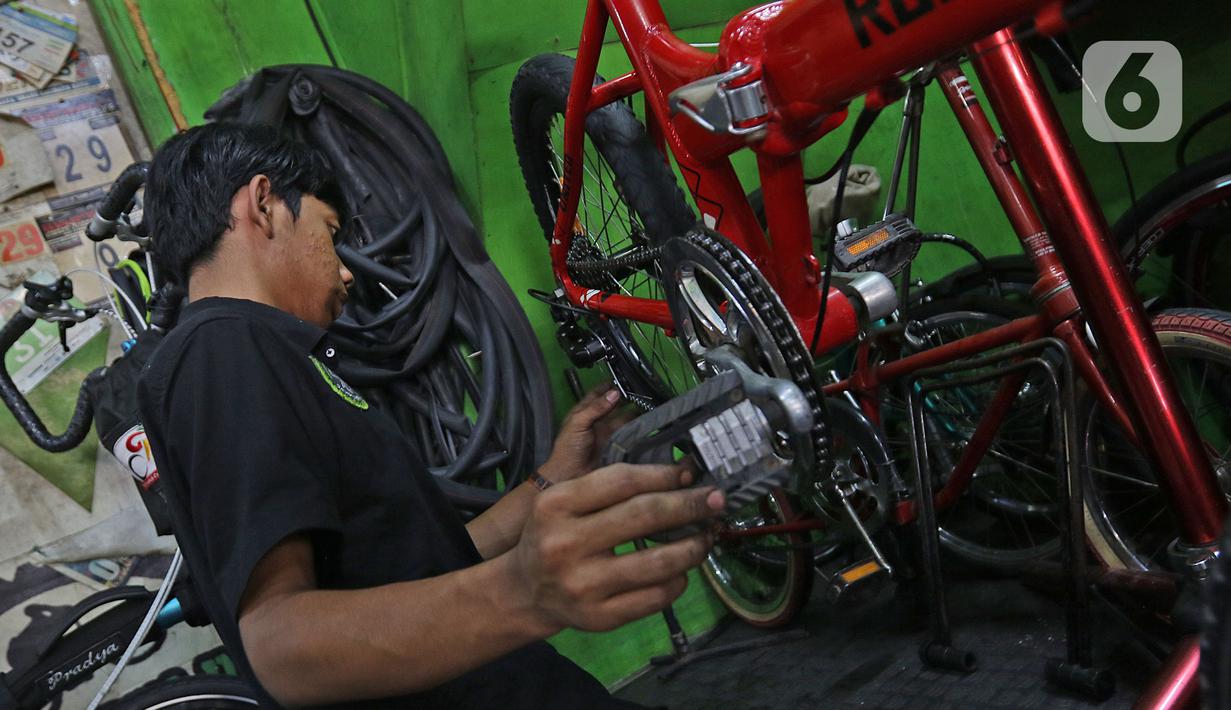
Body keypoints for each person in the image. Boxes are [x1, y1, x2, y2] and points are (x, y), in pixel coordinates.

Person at [137, 123, 725, 708]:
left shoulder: (270, 357)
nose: (346, 272)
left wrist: (552, 480)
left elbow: (421, 568)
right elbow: (280, 644)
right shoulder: (220, 349)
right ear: (263, 205)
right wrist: (522, 592)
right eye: (330, 232)